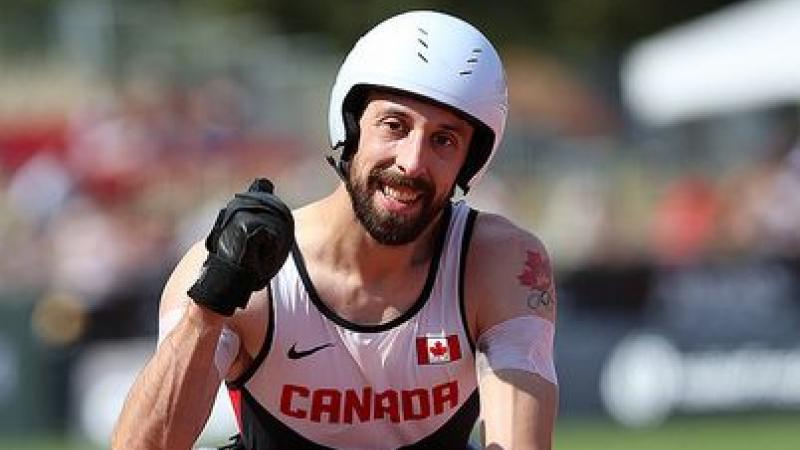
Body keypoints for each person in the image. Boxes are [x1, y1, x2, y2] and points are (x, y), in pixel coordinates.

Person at [112, 10, 558, 450]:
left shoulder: (500, 263)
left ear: (470, 162)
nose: (412, 162)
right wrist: (209, 305)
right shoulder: (250, 274)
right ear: (350, 128)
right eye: (395, 126)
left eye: (444, 140)